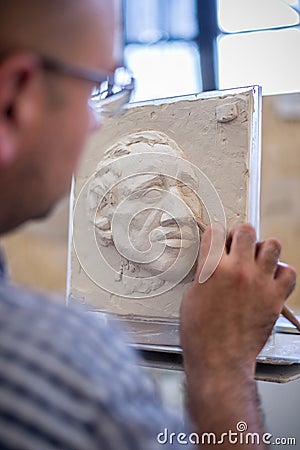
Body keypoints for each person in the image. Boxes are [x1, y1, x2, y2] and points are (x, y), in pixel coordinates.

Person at [0, 1, 296, 449]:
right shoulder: (73, 370)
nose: (96, 122)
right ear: (14, 97)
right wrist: (221, 366)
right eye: (97, 87)